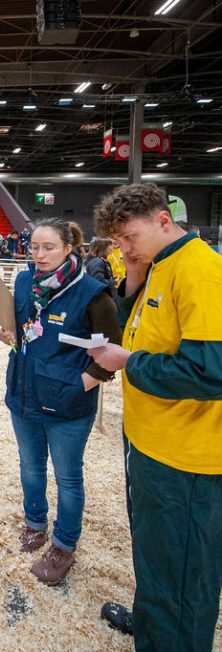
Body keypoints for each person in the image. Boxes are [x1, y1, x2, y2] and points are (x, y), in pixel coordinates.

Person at [88, 183, 222, 650]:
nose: (123, 248)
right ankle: (152, 624)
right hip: (151, 439)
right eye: (118, 241)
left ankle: (173, 639)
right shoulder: (159, 266)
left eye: (129, 237)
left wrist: (128, 363)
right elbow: (142, 330)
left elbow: (210, 371)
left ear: (163, 221)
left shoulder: (201, 271)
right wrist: (130, 276)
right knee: (155, 552)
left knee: (183, 567)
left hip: (185, 456)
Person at [0, 219, 122, 586]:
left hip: (67, 407)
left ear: (69, 247)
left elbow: (111, 351)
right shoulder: (23, 282)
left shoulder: (93, 293)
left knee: (68, 477)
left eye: (48, 247)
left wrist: (81, 383)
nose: (39, 254)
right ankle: (35, 523)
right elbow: (22, 332)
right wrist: (8, 336)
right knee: (30, 467)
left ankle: (63, 545)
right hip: (24, 394)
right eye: (34, 247)